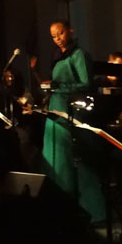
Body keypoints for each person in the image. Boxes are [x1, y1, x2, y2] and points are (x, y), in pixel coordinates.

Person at [36, 20, 105, 223]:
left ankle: (88, 211)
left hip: (70, 111)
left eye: (60, 33)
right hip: (55, 111)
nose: (57, 39)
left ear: (70, 31)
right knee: (55, 158)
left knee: (72, 159)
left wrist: (59, 87)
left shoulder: (79, 54)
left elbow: (86, 83)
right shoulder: (57, 56)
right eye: (53, 36)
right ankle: (59, 209)